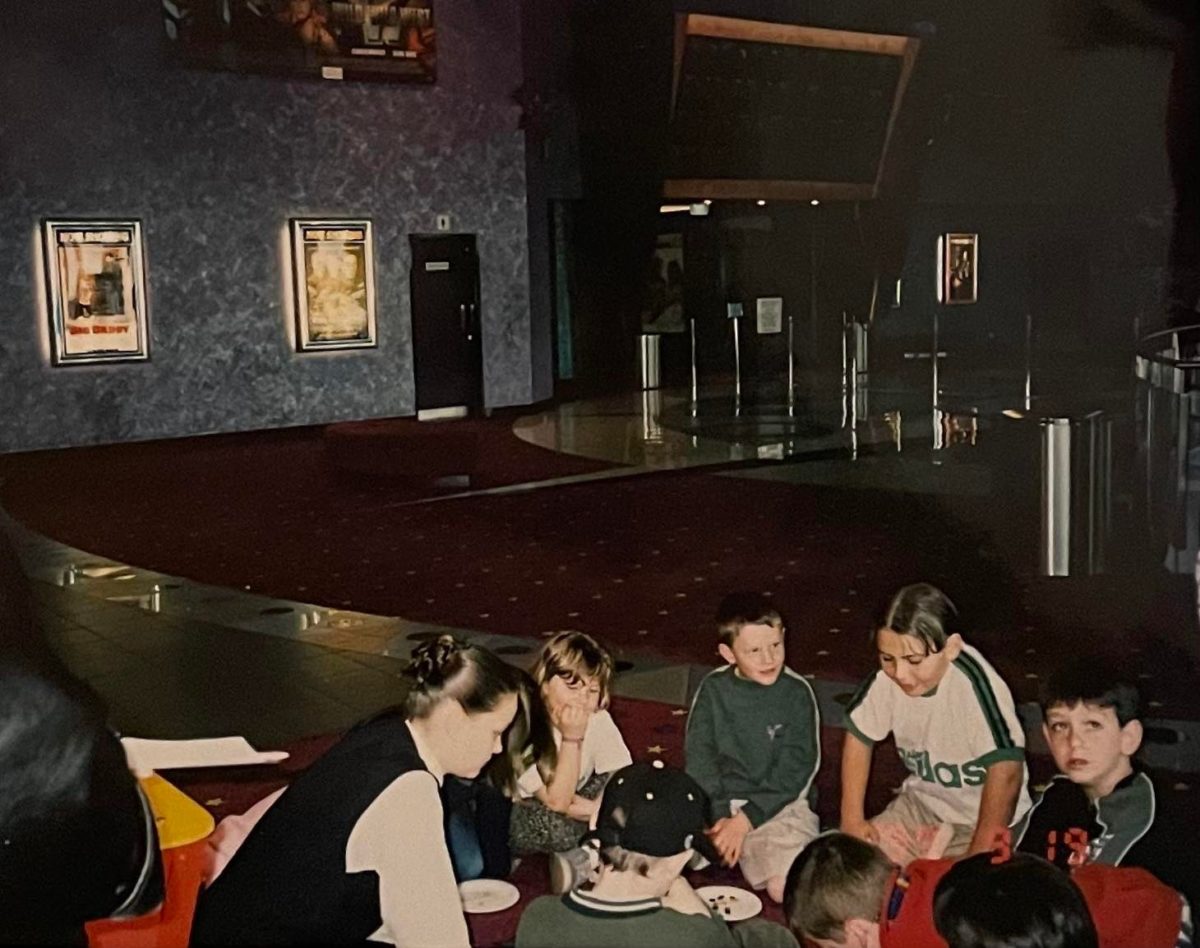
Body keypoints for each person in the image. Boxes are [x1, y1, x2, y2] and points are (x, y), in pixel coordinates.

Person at [192, 635, 524, 946]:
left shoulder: (386, 731)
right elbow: (437, 938)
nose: (498, 749)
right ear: (452, 718)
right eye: (495, 732)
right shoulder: (410, 793)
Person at [840, 583, 1030, 866]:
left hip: (983, 818)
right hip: (923, 806)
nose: (900, 674)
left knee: (956, 895)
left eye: (914, 660)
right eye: (887, 659)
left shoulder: (976, 686)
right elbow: (859, 736)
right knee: (855, 865)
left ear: (951, 648)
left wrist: (977, 858)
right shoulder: (886, 678)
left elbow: (1007, 772)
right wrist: (851, 818)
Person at [516, 760, 798, 948]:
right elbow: (718, 939)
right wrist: (680, 885)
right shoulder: (693, 936)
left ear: (595, 827)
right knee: (769, 938)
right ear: (682, 859)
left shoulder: (537, 916)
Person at [783, 832, 1191, 948]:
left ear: (855, 932)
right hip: (1134, 892)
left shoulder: (917, 937)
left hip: (1158, 930)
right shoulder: (918, 877)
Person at [1014, 658, 1200, 906]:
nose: (1074, 741)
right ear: (1047, 736)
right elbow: (1010, 865)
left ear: (1129, 737)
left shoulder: (1153, 815)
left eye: (1092, 725)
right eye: (1060, 726)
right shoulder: (1058, 795)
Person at [685, 592, 821, 903]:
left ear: (784, 636)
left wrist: (745, 821)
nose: (769, 659)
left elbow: (795, 771)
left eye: (776, 646)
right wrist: (720, 817)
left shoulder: (796, 693)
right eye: (754, 651)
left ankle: (782, 851)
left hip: (778, 806)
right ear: (728, 653)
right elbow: (701, 760)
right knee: (655, 840)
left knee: (784, 887)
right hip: (719, 803)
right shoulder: (713, 690)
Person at [509, 631, 632, 877]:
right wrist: (571, 738)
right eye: (572, 685)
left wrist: (605, 804)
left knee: (630, 790)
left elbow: (621, 772)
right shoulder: (524, 726)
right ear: (544, 683)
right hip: (537, 809)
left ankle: (592, 851)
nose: (582, 699)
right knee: (557, 829)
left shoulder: (597, 718)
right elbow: (557, 801)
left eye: (592, 690)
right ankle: (593, 852)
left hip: (582, 796)